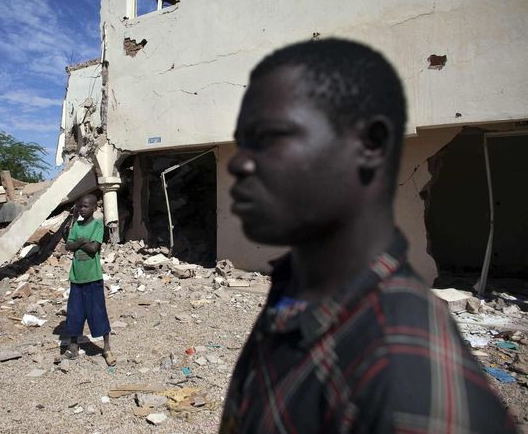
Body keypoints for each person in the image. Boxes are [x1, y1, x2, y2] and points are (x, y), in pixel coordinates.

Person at [220, 38, 516, 433]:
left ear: (368, 145)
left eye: (270, 136)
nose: (238, 162)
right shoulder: (296, 287)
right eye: (242, 142)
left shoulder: (409, 381)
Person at [64, 193, 115, 366]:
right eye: (80, 206)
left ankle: (107, 348)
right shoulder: (76, 226)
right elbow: (68, 245)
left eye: (85, 206)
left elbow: (94, 248)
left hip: (93, 278)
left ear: (94, 208)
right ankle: (73, 347)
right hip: (76, 278)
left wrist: (78, 242)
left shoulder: (97, 224)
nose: (81, 209)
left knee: (98, 312)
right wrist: (82, 241)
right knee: (74, 313)